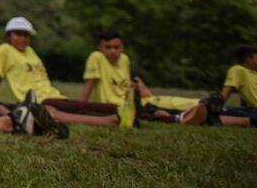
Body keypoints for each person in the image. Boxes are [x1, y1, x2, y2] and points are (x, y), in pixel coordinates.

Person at [0, 17, 211, 128]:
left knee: (93, 111)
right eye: (18, 34)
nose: (23, 38)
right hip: (39, 98)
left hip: (53, 95)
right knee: (98, 109)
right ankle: (173, 117)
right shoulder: (3, 50)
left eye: (26, 35)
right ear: (8, 35)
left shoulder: (31, 52)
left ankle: (158, 114)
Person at [80, 30, 228, 125]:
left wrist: (138, 86)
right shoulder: (96, 57)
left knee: (169, 101)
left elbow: (125, 84)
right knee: (156, 110)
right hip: (119, 105)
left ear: (122, 47)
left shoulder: (124, 59)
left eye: (116, 47)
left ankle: (206, 106)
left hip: (139, 100)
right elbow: (89, 84)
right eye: (108, 47)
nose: (113, 51)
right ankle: (191, 114)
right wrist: (81, 107)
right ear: (100, 48)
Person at [220, 45, 257, 127]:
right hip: (255, 112)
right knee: (226, 110)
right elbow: (227, 90)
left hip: (252, 111)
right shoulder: (238, 70)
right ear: (248, 60)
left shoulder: (254, 73)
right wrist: (216, 107)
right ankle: (212, 117)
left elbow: (247, 92)